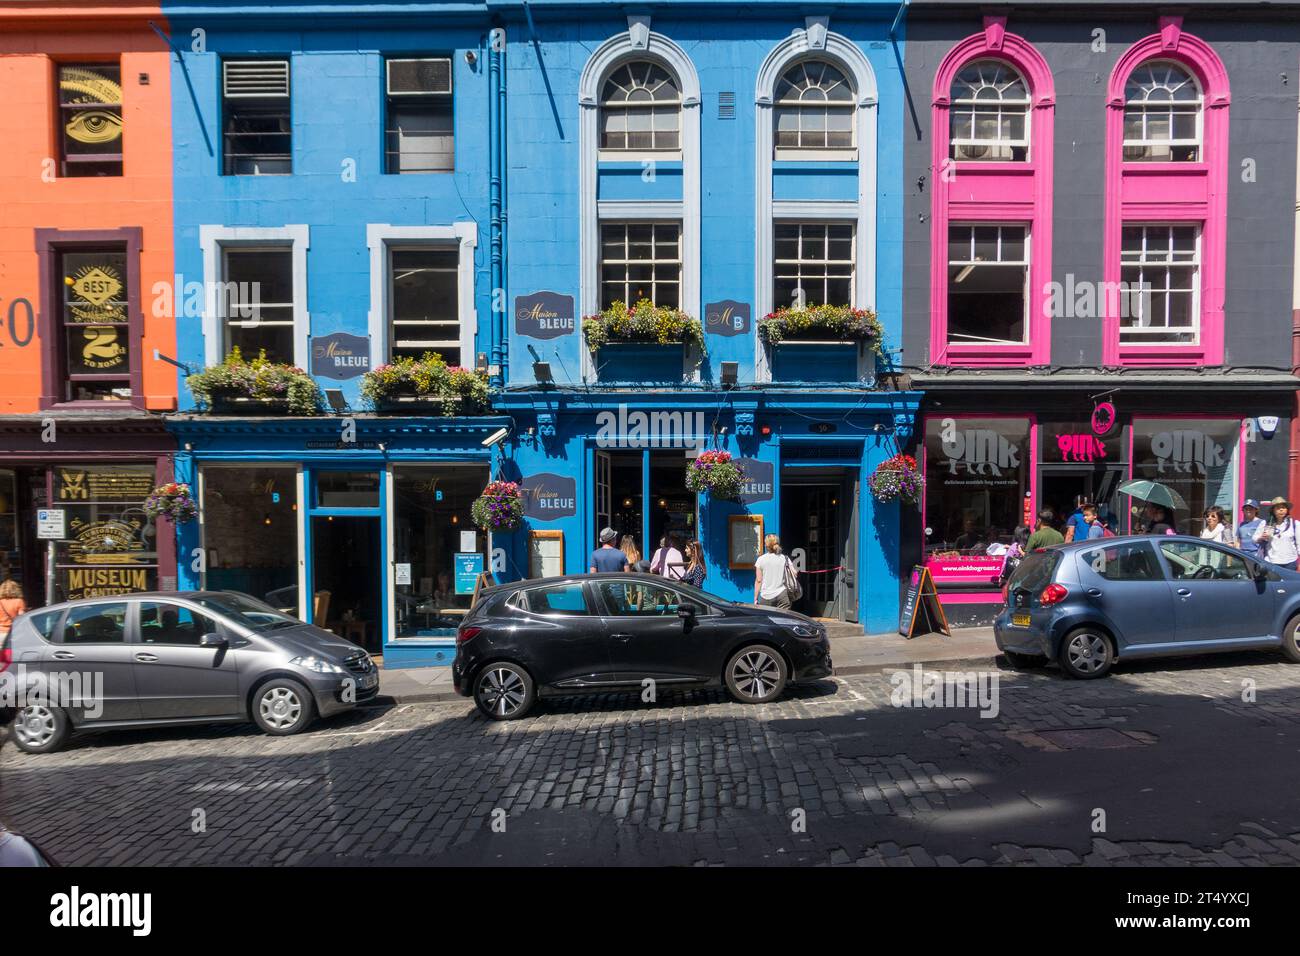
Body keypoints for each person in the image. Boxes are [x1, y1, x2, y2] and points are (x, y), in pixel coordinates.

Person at [1254, 496, 1299, 570]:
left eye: (1284, 507)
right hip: (1271, 562)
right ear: (1273, 511)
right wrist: (1261, 537)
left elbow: (1299, 544)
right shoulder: (1265, 523)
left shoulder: (1295, 524)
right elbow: (1254, 538)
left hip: (1290, 562)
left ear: (1287, 510)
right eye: (1278, 508)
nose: (1281, 510)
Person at [753, 534, 793, 608]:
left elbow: (758, 580)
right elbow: (794, 574)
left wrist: (755, 598)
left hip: (765, 597)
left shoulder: (761, 559)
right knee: (783, 619)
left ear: (766, 545)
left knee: (767, 619)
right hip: (782, 595)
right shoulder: (785, 558)